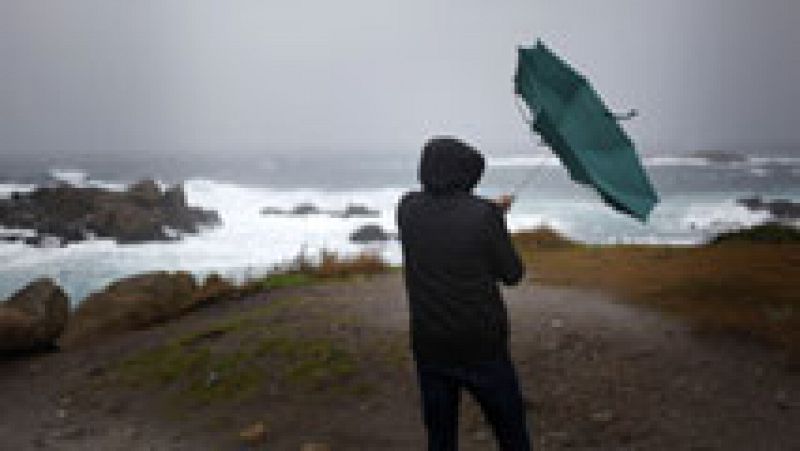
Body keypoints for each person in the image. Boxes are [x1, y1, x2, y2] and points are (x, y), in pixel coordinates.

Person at [396, 136, 531, 451]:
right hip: (481, 344)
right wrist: (495, 218)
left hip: (430, 343)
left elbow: (447, 216)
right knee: (510, 430)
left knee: (440, 437)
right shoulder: (484, 217)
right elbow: (512, 274)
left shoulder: (406, 209)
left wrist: (489, 212)